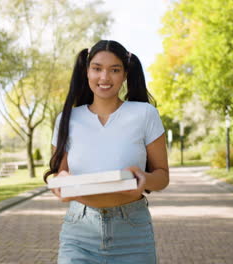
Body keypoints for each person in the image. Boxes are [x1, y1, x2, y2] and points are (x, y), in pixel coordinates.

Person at [44, 40, 169, 264]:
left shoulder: (145, 114)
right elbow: (59, 175)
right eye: (97, 68)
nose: (104, 77)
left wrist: (145, 178)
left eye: (114, 70)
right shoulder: (67, 119)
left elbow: (162, 177)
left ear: (125, 74)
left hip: (132, 231)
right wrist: (61, 183)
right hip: (79, 232)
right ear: (86, 71)